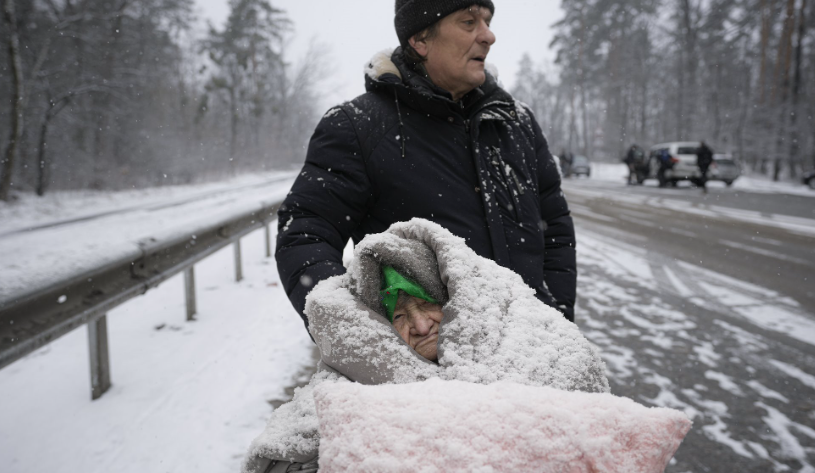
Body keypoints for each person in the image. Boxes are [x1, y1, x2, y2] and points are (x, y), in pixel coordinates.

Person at [276, 0, 578, 335]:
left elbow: (555, 232)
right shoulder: (356, 127)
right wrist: (367, 335)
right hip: (427, 373)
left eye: (488, 21)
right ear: (420, 41)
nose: (488, 35)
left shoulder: (515, 123)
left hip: (529, 353)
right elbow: (305, 236)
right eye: (468, 22)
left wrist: (557, 318)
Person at [245, 219, 609, 473]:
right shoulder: (353, 379)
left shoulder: (533, 347)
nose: (419, 325)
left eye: (428, 302)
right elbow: (278, 458)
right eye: (400, 316)